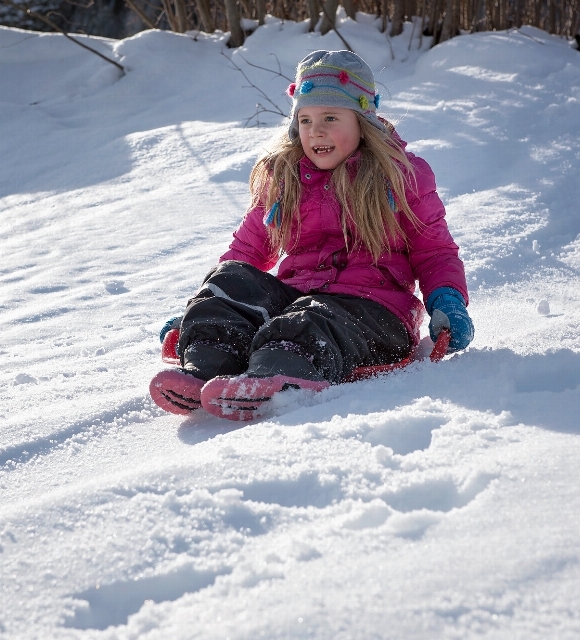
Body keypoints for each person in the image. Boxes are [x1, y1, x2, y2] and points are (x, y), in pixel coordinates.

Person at [150, 50, 472, 421]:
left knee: (307, 321)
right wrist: (202, 307)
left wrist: (447, 301)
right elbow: (247, 251)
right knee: (230, 279)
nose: (315, 131)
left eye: (330, 118)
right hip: (300, 299)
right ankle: (206, 363)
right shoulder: (285, 179)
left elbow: (434, 251)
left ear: (363, 121)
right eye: (305, 120)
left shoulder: (402, 177)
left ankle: (276, 375)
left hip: (373, 313)